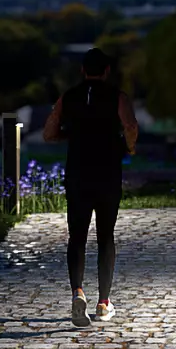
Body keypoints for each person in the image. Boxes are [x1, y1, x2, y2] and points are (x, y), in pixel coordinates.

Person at [42, 47, 140, 327]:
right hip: (107, 173)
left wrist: (71, 135)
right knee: (106, 236)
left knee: (77, 236)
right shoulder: (117, 97)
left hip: (78, 173)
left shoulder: (68, 97)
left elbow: (49, 132)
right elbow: (130, 126)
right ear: (107, 71)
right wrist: (129, 147)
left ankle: (78, 293)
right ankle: (103, 303)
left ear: (83, 70)